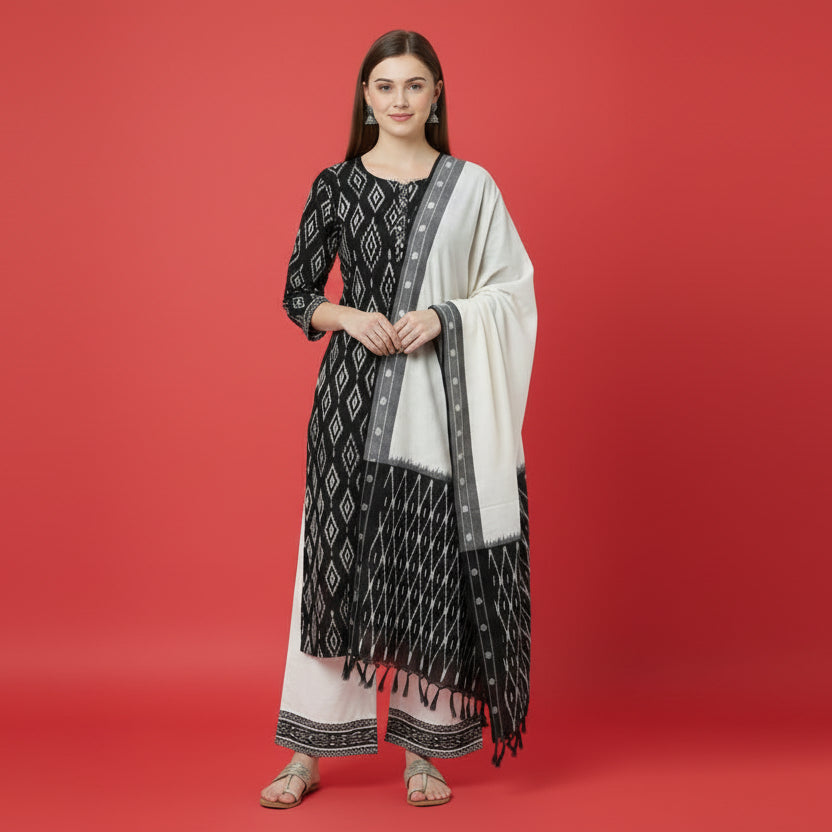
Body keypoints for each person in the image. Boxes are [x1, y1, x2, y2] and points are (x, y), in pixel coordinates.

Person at [260, 29, 537, 809]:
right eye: (384, 87)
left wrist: (446, 316)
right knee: (334, 567)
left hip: (438, 407)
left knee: (428, 570)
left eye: (414, 86)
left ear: (436, 95)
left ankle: (426, 753)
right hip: (351, 403)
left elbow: (512, 290)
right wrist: (348, 317)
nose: (399, 101)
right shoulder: (337, 184)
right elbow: (296, 294)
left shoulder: (470, 186)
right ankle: (306, 752)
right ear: (366, 98)